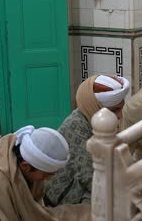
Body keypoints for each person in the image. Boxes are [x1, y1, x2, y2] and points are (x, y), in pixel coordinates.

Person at [0, 126, 91, 221]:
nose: (47, 179)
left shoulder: (17, 161)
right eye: (47, 174)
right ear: (26, 166)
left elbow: (34, 211)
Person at [44, 75, 130, 206]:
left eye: (121, 108)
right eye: (115, 110)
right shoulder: (75, 126)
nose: (120, 115)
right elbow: (88, 175)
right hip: (68, 193)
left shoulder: (98, 118)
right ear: (96, 106)